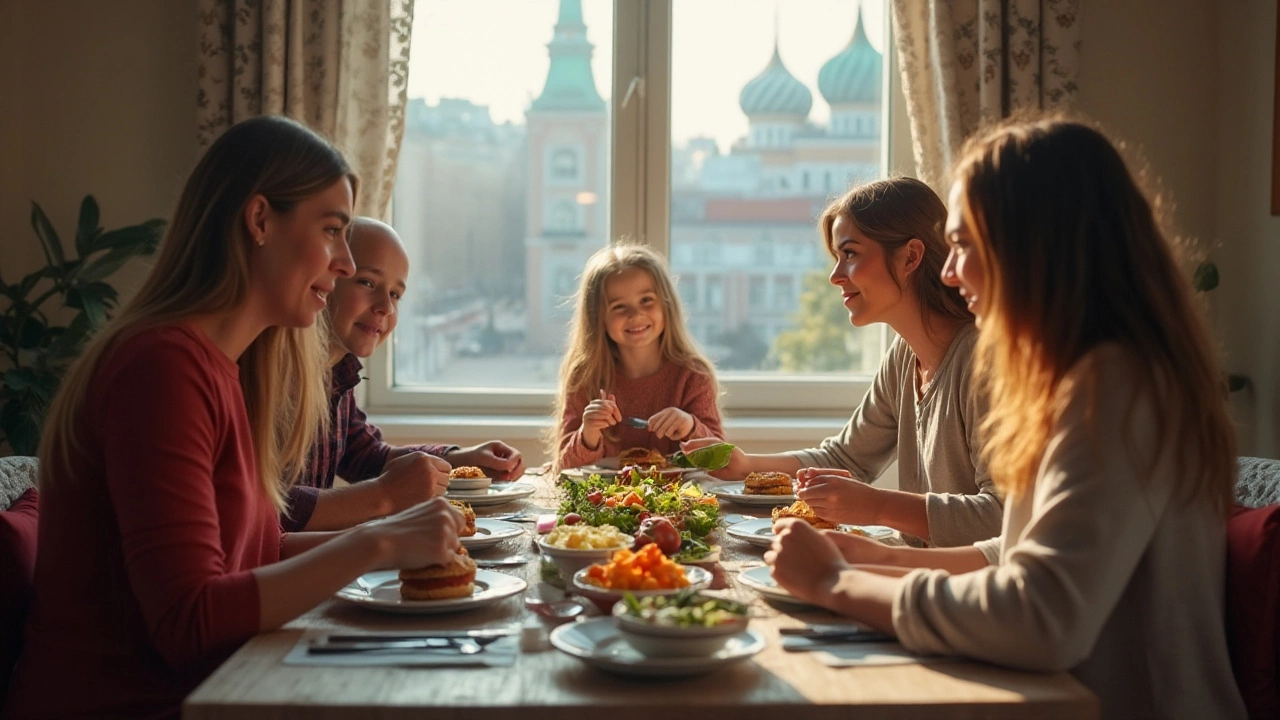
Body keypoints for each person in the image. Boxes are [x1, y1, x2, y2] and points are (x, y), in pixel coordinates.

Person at [766, 117, 1246, 719]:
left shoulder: (1119, 383)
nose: (947, 270)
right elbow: (1014, 555)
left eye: (964, 244)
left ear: (1032, 242)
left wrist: (836, 585)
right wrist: (874, 559)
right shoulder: (1079, 375)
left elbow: (1042, 618)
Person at [3, 116, 466, 720]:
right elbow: (188, 622)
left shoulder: (225, 368)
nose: (344, 262)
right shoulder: (162, 369)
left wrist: (389, 541)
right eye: (332, 231)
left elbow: (247, 552)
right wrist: (376, 540)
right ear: (259, 221)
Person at [687, 176, 999, 549]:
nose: (835, 276)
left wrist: (879, 506)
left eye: (850, 254)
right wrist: (743, 465)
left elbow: (1002, 515)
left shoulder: (983, 363)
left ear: (910, 257)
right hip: (921, 576)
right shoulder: (903, 356)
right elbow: (845, 456)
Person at [285, 217, 525, 532]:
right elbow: (266, 511)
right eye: (368, 282)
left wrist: (459, 459)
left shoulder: (338, 373)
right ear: (327, 279)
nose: (385, 306)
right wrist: (382, 496)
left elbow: (366, 454)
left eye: (396, 294)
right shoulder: (278, 380)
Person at [551, 242, 723, 471]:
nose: (636, 314)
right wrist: (588, 434)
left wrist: (690, 426)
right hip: (603, 504)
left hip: (678, 503)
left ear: (666, 305)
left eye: (646, 300)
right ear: (598, 318)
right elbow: (563, 470)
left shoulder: (693, 376)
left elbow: (721, 464)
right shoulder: (585, 376)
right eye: (619, 306)